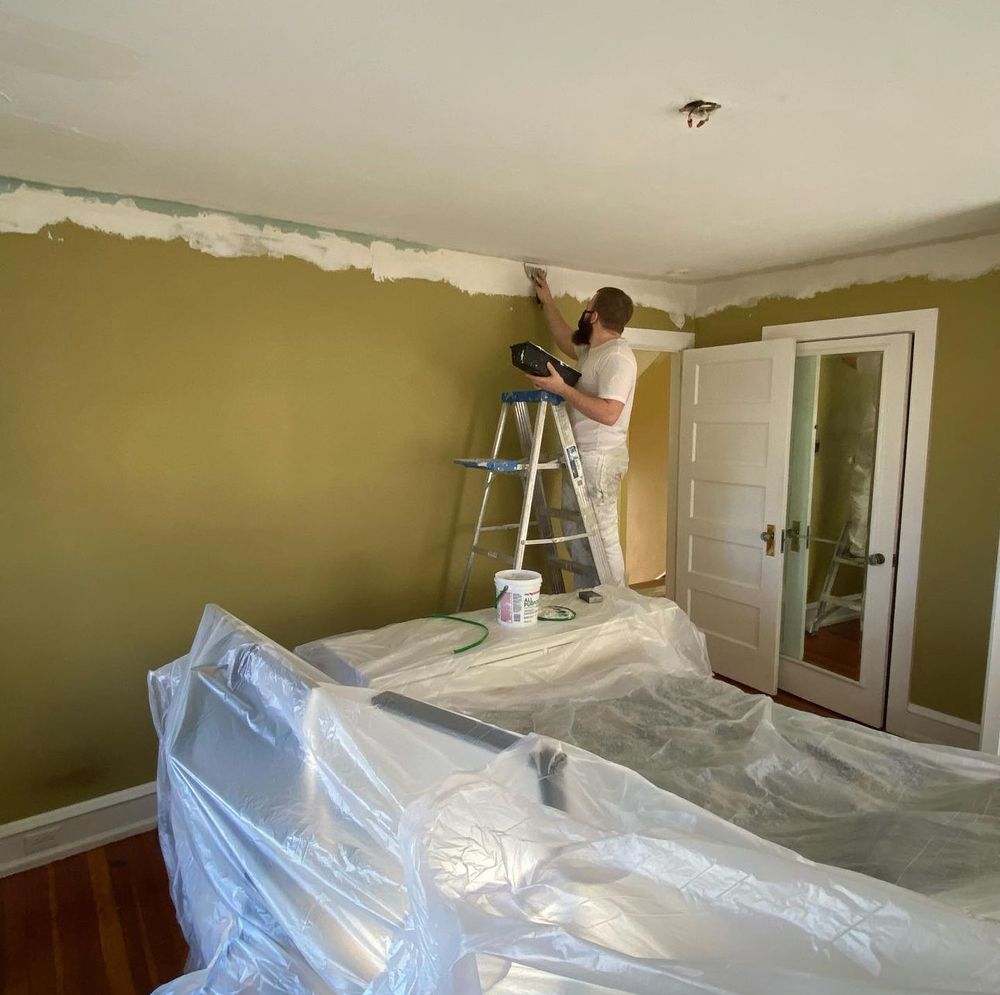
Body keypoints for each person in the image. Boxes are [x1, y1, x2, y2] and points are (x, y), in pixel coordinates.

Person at [526, 273, 637, 586]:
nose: (584, 312)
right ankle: (588, 603)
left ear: (596, 316)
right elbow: (565, 338)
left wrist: (563, 390)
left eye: (588, 307)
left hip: (601, 458)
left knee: (602, 535)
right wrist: (547, 300)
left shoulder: (618, 357)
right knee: (577, 533)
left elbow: (610, 413)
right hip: (581, 456)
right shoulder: (595, 351)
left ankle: (616, 603)